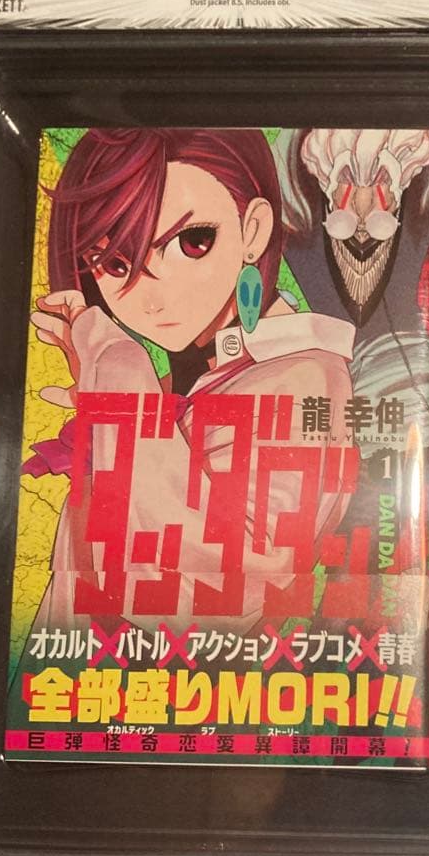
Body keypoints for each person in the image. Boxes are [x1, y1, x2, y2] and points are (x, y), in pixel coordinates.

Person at [28, 128, 357, 634]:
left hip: (198, 681)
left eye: (192, 242)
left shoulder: (306, 379)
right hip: (80, 677)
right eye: (115, 263)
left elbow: (214, 597)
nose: (153, 296)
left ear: (253, 230)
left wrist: (117, 368)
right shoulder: (173, 382)